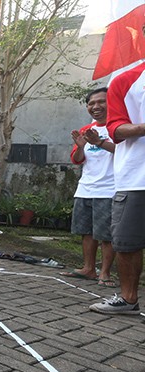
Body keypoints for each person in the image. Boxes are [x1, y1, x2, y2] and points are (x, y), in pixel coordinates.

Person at [89, 54, 145, 315]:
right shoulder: (125, 79)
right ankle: (128, 298)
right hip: (136, 176)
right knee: (126, 242)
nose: (95, 106)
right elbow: (116, 130)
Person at [59, 88, 116, 286]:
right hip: (85, 188)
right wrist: (82, 146)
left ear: (113, 102)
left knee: (107, 234)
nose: (96, 107)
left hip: (110, 189)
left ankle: (105, 273)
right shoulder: (86, 129)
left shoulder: (118, 128)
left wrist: (99, 142)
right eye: (91, 103)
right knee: (87, 231)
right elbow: (77, 160)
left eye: (101, 102)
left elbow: (126, 153)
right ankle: (88, 268)